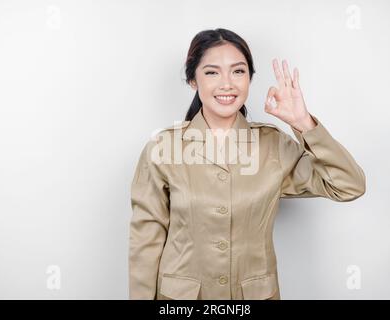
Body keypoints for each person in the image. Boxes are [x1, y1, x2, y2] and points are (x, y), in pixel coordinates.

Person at [128, 28, 366, 300]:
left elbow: (349, 186)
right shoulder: (163, 149)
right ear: (193, 80)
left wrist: (303, 124)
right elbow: (145, 242)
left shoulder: (273, 145)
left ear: (249, 78)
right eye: (212, 72)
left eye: (238, 71)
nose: (227, 83)